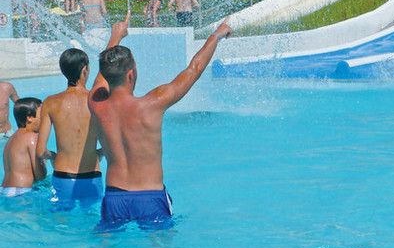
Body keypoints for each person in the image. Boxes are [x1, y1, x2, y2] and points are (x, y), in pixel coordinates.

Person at [88, 13, 232, 228]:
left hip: (114, 197)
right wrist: (217, 35)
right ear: (130, 75)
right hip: (150, 197)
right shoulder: (152, 104)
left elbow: (102, 77)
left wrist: (115, 36)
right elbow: (194, 70)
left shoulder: (96, 103)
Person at [36, 49, 104, 208]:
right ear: (84, 69)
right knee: (91, 223)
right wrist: (98, 154)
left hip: (63, 176)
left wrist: (53, 156)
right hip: (92, 176)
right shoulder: (96, 100)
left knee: (61, 223)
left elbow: (40, 151)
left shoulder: (50, 102)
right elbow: (112, 142)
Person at [1, 97, 46, 197]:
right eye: (42, 115)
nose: (45, 119)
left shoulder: (12, 139)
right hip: (21, 192)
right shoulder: (32, 137)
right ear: (29, 118)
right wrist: (43, 160)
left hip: (4, 190)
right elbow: (41, 176)